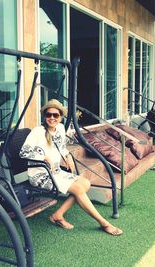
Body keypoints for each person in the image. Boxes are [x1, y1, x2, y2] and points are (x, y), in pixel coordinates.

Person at [19, 99, 122, 236]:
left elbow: (61, 147)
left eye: (55, 115)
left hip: (55, 172)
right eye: (49, 114)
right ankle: (104, 223)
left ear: (60, 116)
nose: (52, 118)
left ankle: (58, 215)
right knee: (79, 189)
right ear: (45, 116)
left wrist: (67, 156)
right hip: (41, 175)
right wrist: (43, 157)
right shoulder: (38, 131)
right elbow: (23, 152)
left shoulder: (60, 129)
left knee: (85, 183)